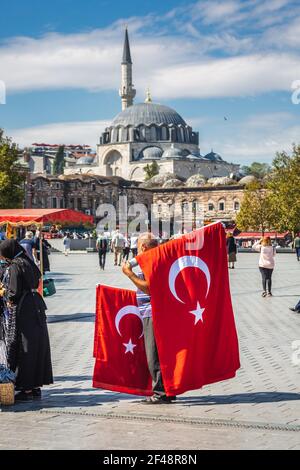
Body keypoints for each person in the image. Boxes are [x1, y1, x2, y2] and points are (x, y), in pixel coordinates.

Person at [122, 232, 174, 404]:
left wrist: (130, 274)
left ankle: (160, 392)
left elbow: (150, 288)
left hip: (153, 313)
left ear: (143, 247)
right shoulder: (157, 258)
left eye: (137, 247)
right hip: (155, 312)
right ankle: (168, 389)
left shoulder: (152, 260)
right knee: (160, 353)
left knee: (154, 354)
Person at [0, 239, 53, 401]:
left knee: (25, 347)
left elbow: (14, 293)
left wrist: (4, 292)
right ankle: (35, 387)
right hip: (35, 304)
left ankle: (27, 388)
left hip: (23, 308)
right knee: (36, 346)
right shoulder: (27, 261)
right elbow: (36, 280)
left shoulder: (16, 265)